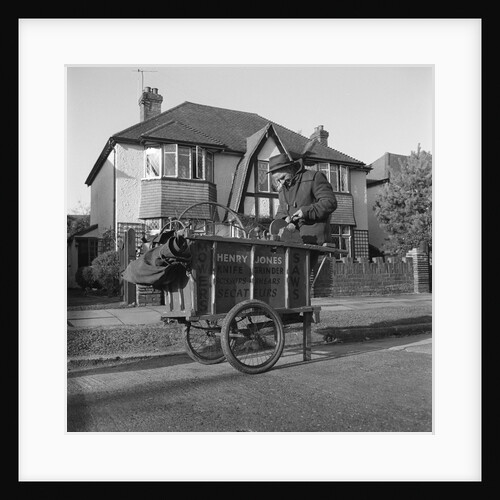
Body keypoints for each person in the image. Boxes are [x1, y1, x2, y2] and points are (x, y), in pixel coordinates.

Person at [268, 152, 337, 269]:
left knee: (304, 281)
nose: (282, 183)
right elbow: (281, 211)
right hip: (291, 242)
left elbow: (330, 202)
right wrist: (285, 218)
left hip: (313, 241)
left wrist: (305, 212)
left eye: (283, 178)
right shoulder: (283, 189)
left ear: (290, 169)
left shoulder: (314, 177)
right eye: (278, 181)